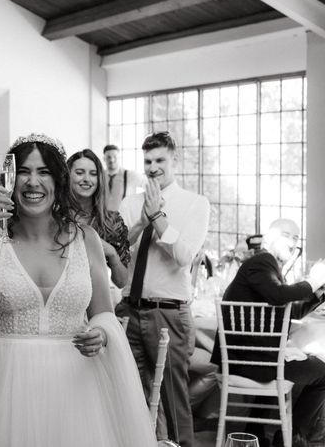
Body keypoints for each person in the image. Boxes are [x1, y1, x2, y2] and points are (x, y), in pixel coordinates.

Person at [0, 134, 154, 447]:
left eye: (44, 172)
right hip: (3, 385)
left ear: (59, 181)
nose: (32, 182)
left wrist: (102, 333)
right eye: (23, 172)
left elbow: (103, 313)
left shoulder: (87, 239)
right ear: (9, 180)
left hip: (74, 387)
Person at [215, 218, 325, 447]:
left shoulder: (268, 266)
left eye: (296, 238)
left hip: (252, 358)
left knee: (308, 364)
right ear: (269, 238)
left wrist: (323, 288)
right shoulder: (262, 261)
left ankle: (255, 435)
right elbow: (279, 296)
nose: (293, 241)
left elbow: (289, 311)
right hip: (247, 360)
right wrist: (314, 280)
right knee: (323, 373)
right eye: (287, 234)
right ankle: (289, 437)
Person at [116, 131, 210, 447]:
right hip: (129, 309)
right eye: (148, 161)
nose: (153, 167)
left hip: (168, 314)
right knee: (131, 396)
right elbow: (116, 249)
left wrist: (157, 217)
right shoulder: (130, 203)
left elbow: (183, 256)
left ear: (174, 160)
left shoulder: (196, 204)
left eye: (160, 160)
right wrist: (142, 220)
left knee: (172, 398)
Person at [67, 148, 129, 288]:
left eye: (93, 174)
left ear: (99, 179)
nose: (87, 179)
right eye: (79, 173)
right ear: (67, 176)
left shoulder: (112, 221)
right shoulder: (55, 216)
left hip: (97, 304)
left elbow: (122, 282)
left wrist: (112, 254)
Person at [103, 144, 145, 212]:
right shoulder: (99, 176)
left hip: (124, 219)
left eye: (115, 156)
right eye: (108, 157)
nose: (112, 160)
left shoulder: (130, 175)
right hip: (104, 219)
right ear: (104, 159)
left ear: (119, 157)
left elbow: (149, 185)